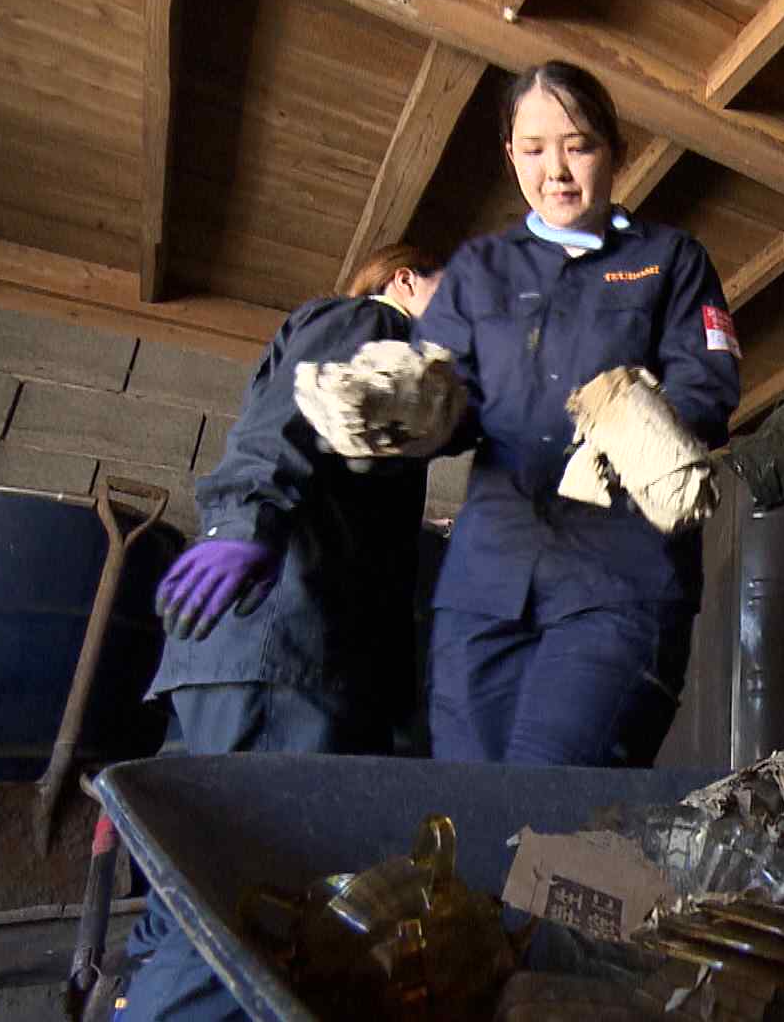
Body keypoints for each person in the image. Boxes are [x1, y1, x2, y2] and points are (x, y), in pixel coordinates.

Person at [123, 243, 444, 1020]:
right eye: (451, 286)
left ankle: (134, 996)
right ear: (404, 279)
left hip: (255, 653)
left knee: (200, 878)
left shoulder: (399, 383)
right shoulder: (368, 320)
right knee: (255, 898)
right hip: (286, 648)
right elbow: (285, 422)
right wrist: (245, 521)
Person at [414, 60, 741, 768]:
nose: (555, 170)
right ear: (510, 155)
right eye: (533, 150)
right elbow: (445, 399)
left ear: (616, 151)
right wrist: (406, 407)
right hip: (485, 582)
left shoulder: (669, 261)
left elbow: (709, 383)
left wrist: (633, 435)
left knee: (553, 796)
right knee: (460, 801)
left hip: (619, 579)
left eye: (578, 145)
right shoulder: (481, 271)